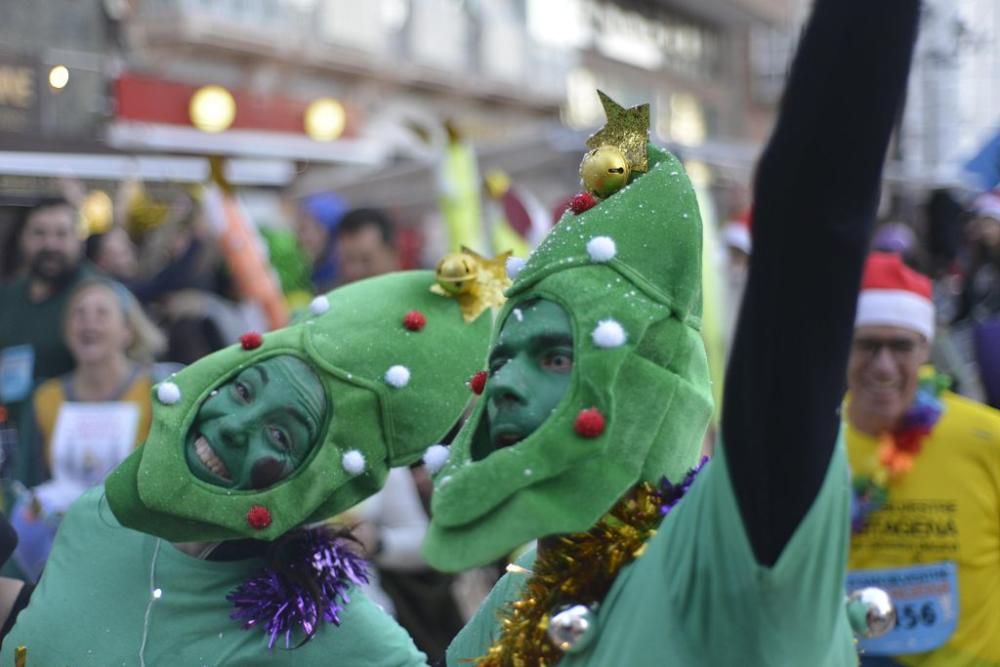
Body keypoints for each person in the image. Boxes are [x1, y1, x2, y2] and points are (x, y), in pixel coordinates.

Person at [422, 0, 920, 664]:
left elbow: (810, 234)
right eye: (504, 357)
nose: (507, 385)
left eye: (555, 355)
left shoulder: (728, 548)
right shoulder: (525, 582)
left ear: (649, 382)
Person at [0, 269, 494, 665]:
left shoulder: (312, 621)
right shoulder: (100, 511)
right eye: (242, 390)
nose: (236, 425)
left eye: (281, 433)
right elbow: (51, 616)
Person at [846, 252, 1000, 666]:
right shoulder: (817, 441)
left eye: (901, 346)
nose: (883, 366)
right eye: (867, 344)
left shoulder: (987, 437)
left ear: (925, 350)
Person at [8, 278, 170, 579]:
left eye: (101, 313)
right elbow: (27, 482)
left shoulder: (157, 389)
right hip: (58, 554)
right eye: (79, 313)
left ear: (127, 330)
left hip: (138, 552)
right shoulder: (46, 397)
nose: (88, 322)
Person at [0, 199, 94, 467]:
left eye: (61, 234)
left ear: (79, 240)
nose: (50, 245)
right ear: (23, 239)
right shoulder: (9, 295)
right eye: (40, 233)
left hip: (75, 445)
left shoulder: (96, 298)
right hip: (12, 438)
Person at [334, 208, 400, 285]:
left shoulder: (414, 293)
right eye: (348, 260)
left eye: (366, 260)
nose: (355, 271)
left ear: (392, 254)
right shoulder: (330, 295)